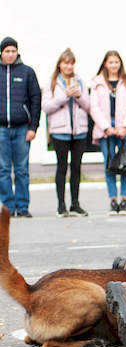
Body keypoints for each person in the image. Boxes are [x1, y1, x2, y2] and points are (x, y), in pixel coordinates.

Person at [41, 48, 88, 217]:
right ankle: (61, 205)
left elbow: (88, 105)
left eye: (71, 63)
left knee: (76, 168)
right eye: (66, 63)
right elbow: (46, 107)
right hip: (60, 132)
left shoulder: (79, 81)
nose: (69, 66)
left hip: (79, 132)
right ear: (60, 64)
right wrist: (64, 96)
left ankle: (75, 203)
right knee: (62, 168)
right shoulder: (52, 83)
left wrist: (78, 96)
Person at [90, 50, 126, 215]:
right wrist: (106, 127)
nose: (114, 65)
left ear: (120, 63)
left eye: (116, 62)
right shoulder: (97, 82)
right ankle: (113, 200)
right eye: (111, 62)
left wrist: (125, 126)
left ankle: (124, 200)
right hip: (106, 131)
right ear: (105, 64)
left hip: (125, 129)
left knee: (125, 164)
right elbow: (94, 107)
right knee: (109, 165)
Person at [0, 37, 40, 218]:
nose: (10, 54)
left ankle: (23, 206)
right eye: (6, 51)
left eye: (13, 51)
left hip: (22, 128)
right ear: (1, 52)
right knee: (3, 170)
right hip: (1, 129)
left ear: (17, 52)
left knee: (22, 170)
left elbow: (35, 100)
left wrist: (33, 127)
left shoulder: (27, 72)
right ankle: (7, 208)